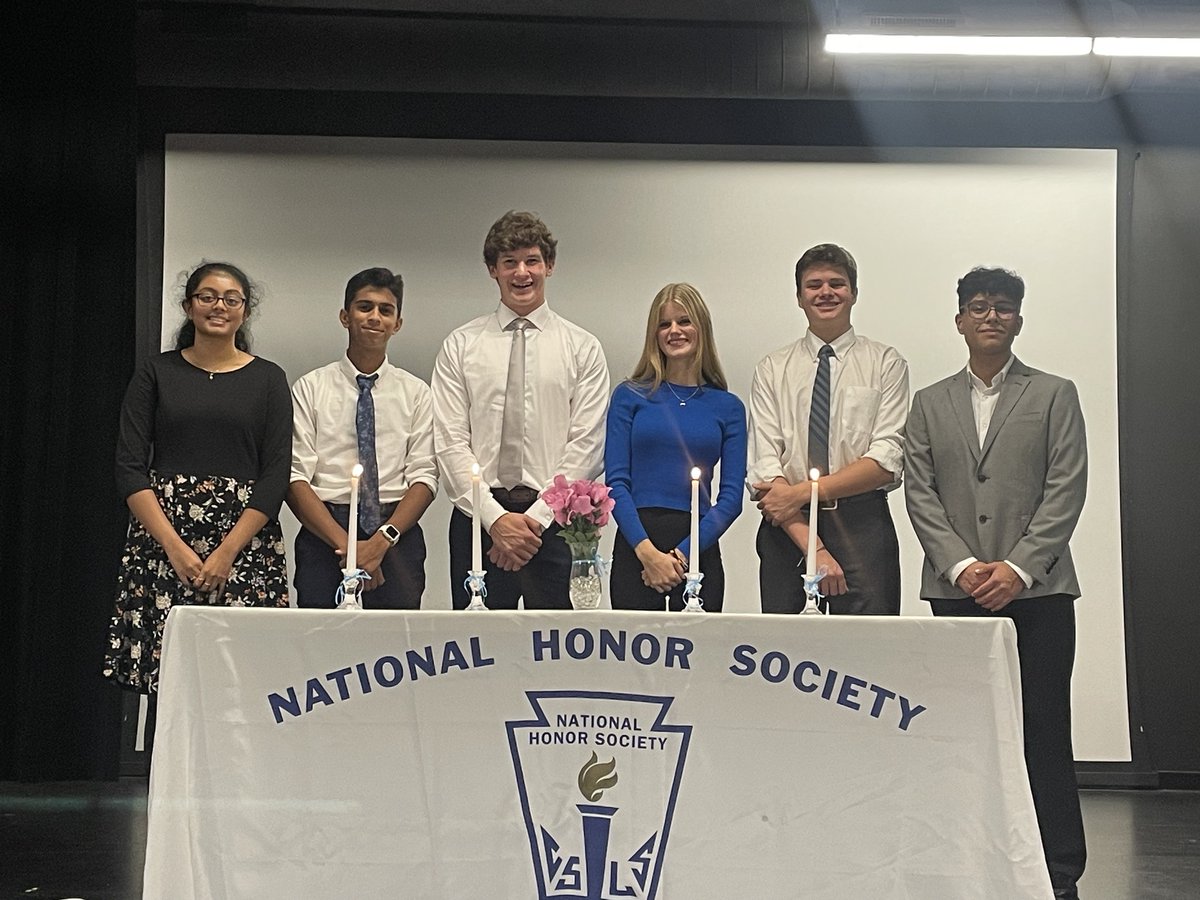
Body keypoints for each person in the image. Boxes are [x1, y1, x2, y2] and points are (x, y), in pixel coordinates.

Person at [905, 266, 1087, 899]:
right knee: (963, 733)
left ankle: (1058, 872)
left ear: (1018, 319)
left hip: (1040, 593)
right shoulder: (929, 402)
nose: (991, 316)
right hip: (957, 594)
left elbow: (1066, 488)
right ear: (960, 320)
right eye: (979, 307)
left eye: (1003, 307)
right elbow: (920, 493)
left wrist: (1016, 568)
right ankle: (968, 859)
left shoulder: (1055, 393)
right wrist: (961, 566)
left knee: (1044, 730)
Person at [104, 262, 292, 693]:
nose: (218, 306)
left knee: (242, 685)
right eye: (207, 297)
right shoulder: (156, 373)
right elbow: (130, 467)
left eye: (231, 299)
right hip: (164, 541)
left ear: (245, 311)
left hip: (244, 547)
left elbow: (275, 474)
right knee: (168, 685)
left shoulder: (269, 379)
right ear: (189, 307)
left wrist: (226, 552)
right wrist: (174, 548)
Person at [432, 211, 609, 609]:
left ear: (550, 265)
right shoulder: (460, 345)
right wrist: (495, 520)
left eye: (532, 260)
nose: (522, 273)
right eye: (509, 262)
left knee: (560, 644)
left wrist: (534, 521)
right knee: (475, 644)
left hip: (558, 523)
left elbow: (587, 444)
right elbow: (450, 441)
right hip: (479, 520)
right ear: (492, 270)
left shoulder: (582, 348)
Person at [748, 243, 908, 614]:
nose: (826, 292)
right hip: (789, 527)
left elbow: (885, 460)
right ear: (799, 297)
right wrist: (813, 546)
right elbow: (765, 466)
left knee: (870, 643)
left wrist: (803, 491)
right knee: (786, 646)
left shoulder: (885, 363)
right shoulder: (772, 368)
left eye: (837, 284)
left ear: (854, 293)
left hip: (862, 525)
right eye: (814, 285)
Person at [287, 267, 437, 609]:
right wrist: (350, 548)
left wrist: (380, 542)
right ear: (345, 316)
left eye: (386, 310)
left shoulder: (416, 393)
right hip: (326, 534)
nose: (375, 317)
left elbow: (425, 476)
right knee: (321, 639)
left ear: (397, 323)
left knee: (398, 639)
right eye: (364, 307)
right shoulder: (310, 388)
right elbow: (295, 477)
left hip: (395, 533)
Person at [605, 283, 746, 612]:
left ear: (701, 328)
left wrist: (682, 555)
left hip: (698, 546)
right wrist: (648, 554)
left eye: (684, 321)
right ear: (654, 334)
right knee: (632, 646)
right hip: (636, 546)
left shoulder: (729, 407)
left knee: (699, 646)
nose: (674, 331)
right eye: (664, 324)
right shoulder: (629, 397)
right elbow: (616, 483)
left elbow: (731, 499)